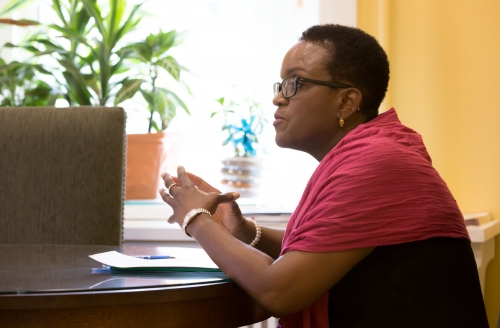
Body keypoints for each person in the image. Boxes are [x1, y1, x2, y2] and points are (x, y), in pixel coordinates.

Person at [159, 24, 488, 328]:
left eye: (294, 83)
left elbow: (279, 291)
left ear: (346, 102)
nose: (277, 97)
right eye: (280, 84)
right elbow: (316, 250)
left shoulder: (379, 162)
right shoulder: (369, 154)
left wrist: (196, 217)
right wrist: (244, 230)